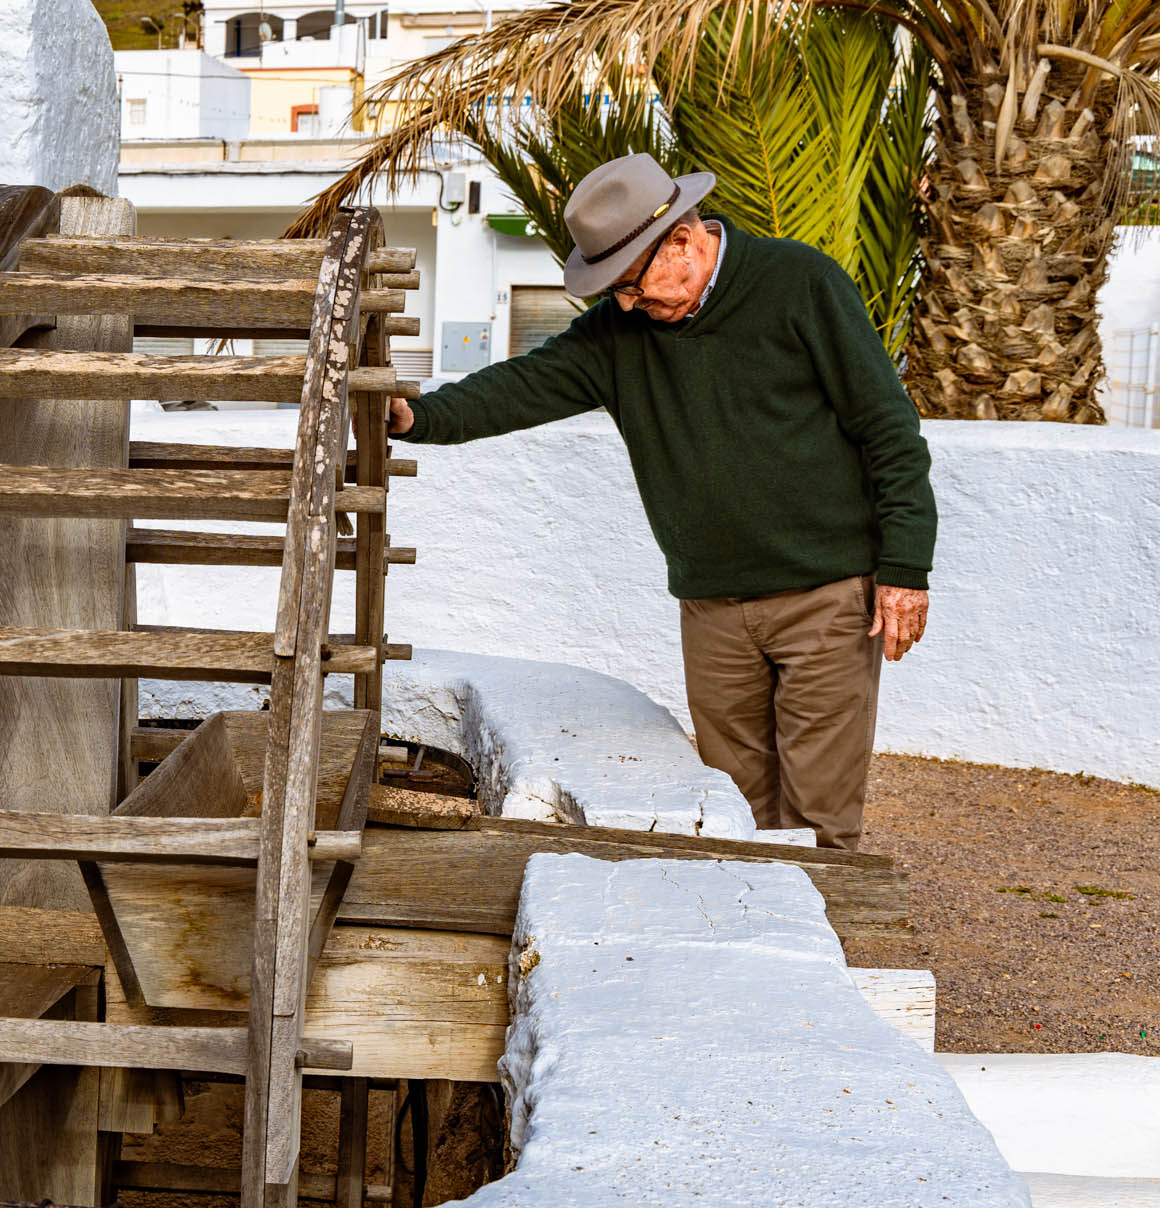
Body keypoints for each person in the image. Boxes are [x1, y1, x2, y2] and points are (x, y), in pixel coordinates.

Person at [389, 153, 935, 850]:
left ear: (681, 239)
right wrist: (420, 417)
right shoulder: (619, 333)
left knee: (820, 819)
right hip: (711, 611)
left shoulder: (800, 283)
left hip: (825, 599)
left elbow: (888, 428)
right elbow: (522, 388)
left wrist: (905, 568)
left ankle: (825, 948)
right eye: (611, 291)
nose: (624, 304)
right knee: (732, 810)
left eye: (630, 284)